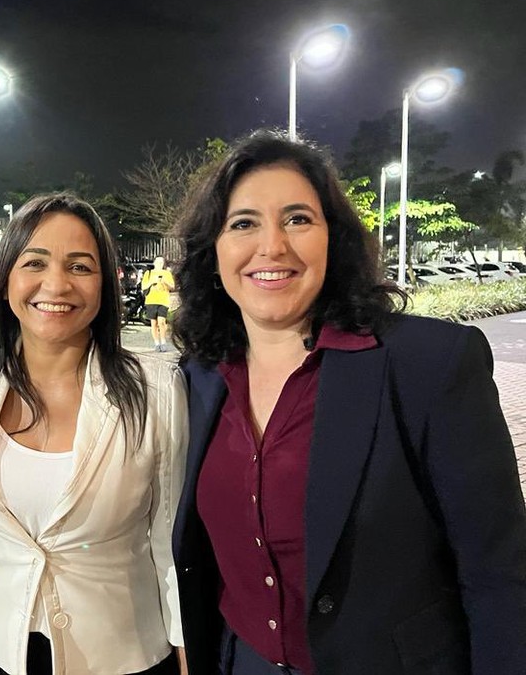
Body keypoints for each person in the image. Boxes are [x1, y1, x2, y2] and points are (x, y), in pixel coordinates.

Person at [170, 130, 526, 675]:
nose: (272, 246)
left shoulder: (428, 363)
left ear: (332, 238)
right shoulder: (199, 376)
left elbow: (498, 569)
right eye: (243, 223)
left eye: (297, 219)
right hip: (241, 660)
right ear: (212, 252)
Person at [0, 193, 188, 674]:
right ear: (7, 275)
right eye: (35, 262)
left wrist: (183, 642)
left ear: (105, 284)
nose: (56, 284)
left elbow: (170, 539)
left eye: (80, 266)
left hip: (122, 651)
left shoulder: (156, 390)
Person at [141, 256, 175, 352]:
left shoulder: (167, 273)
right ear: (154, 262)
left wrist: (165, 282)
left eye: (161, 262)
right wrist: (152, 281)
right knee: (154, 323)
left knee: (162, 321)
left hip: (163, 300)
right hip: (151, 300)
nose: (160, 264)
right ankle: (157, 343)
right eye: (158, 262)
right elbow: (143, 287)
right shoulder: (149, 273)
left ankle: (163, 342)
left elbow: (172, 287)